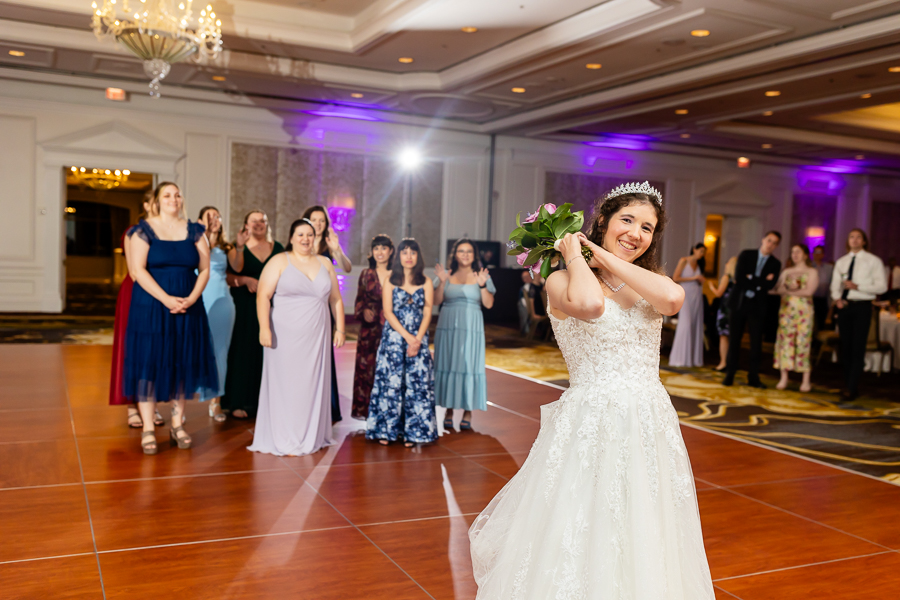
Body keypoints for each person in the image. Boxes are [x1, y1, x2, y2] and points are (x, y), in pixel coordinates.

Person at [469, 182, 714, 599]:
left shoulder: (650, 281)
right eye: (627, 220)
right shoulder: (559, 280)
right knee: (586, 521)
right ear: (601, 221)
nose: (637, 233)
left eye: (648, 228)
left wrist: (601, 254)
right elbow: (590, 306)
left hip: (648, 421)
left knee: (644, 525)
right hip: (592, 421)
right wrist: (576, 255)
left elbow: (674, 300)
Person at [123, 182, 218, 454]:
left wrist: (192, 298)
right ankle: (149, 428)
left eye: (177, 195)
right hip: (151, 305)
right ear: (156, 200)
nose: (173, 199)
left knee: (182, 363)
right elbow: (138, 271)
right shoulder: (143, 230)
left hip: (188, 306)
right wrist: (165, 299)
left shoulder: (195, 231)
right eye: (167, 195)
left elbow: (204, 270)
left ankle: (177, 423)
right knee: (149, 365)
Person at [248, 218, 345, 456]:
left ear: (315, 238)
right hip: (284, 336)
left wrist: (340, 328)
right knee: (287, 384)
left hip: (317, 337)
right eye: (300, 234)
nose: (305, 239)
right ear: (291, 238)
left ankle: (310, 434)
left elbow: (335, 299)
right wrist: (264, 328)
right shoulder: (279, 260)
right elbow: (263, 296)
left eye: (309, 235)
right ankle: (285, 435)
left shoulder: (325, 262)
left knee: (312, 384)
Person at [366, 238, 437, 447]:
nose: (409, 257)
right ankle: (386, 431)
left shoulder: (426, 282)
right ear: (398, 256)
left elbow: (427, 312)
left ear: (418, 256)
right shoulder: (390, 280)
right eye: (405, 252)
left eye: (413, 252)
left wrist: (418, 340)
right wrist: (407, 337)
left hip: (419, 339)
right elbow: (387, 312)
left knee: (417, 384)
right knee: (390, 383)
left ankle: (415, 432)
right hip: (394, 340)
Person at [110, 198, 164, 429]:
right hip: (137, 293)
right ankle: (132, 405)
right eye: (157, 200)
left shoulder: (168, 232)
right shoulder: (134, 232)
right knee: (132, 348)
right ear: (146, 204)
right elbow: (135, 271)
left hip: (162, 293)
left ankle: (151, 403)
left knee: (155, 351)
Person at [223, 210, 282, 419]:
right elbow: (232, 273)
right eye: (254, 221)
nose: (258, 224)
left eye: (262, 220)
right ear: (245, 225)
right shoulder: (236, 247)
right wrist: (247, 279)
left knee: (266, 351)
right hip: (245, 305)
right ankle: (238, 401)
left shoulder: (278, 248)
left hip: (272, 306)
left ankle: (264, 401)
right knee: (243, 350)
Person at [433, 239, 496, 431]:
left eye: (469, 251)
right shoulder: (447, 274)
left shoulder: (481, 275)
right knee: (450, 364)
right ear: (455, 254)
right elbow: (436, 301)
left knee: (469, 365)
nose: (465, 254)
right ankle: (449, 411)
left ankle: (468, 411)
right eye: (461, 251)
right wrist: (442, 282)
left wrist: (483, 286)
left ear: (474, 255)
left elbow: (488, 304)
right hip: (448, 325)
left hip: (472, 327)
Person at [302, 205, 350, 424]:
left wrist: (337, 249)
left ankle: (326, 408)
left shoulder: (328, 246)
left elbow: (347, 268)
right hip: (300, 309)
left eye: (322, 220)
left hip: (322, 308)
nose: (318, 224)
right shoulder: (299, 242)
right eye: (314, 219)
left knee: (322, 357)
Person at [830, 229, 887, 401]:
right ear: (848, 241)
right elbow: (835, 285)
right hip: (845, 307)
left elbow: (881, 287)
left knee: (857, 347)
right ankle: (848, 385)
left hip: (862, 306)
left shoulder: (873, 261)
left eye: (858, 237)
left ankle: (852, 386)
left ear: (864, 241)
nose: (854, 240)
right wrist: (837, 298)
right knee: (845, 347)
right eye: (851, 237)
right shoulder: (842, 261)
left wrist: (859, 286)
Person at [722, 231, 782, 388]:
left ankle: (753, 377)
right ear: (763, 239)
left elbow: (770, 285)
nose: (771, 244)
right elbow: (739, 278)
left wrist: (752, 278)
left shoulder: (775, 264)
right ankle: (730, 374)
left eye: (775, 243)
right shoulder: (746, 254)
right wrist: (760, 282)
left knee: (756, 344)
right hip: (738, 303)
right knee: (734, 340)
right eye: (769, 240)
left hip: (758, 306)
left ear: (776, 246)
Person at [197, 206, 237, 422]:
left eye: (217, 216)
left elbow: (237, 268)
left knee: (221, 351)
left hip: (222, 301)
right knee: (194, 349)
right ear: (199, 220)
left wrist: (238, 246)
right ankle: (182, 403)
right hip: (198, 300)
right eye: (209, 216)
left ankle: (216, 401)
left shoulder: (227, 247)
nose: (214, 219)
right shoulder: (193, 243)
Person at [351, 234, 394, 419]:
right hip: (370, 331)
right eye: (376, 248)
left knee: (390, 370)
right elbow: (359, 300)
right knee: (368, 370)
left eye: (383, 248)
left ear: (391, 251)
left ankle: (388, 413)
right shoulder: (366, 274)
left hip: (392, 328)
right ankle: (369, 413)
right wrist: (363, 311)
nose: (380, 252)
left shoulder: (398, 275)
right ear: (371, 252)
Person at [772, 244, 818, 392]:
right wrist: (793, 290)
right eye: (792, 252)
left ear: (805, 255)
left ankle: (805, 380)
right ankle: (784, 377)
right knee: (785, 342)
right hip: (786, 310)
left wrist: (791, 290)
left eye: (798, 252)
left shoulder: (811, 272)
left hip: (804, 312)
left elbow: (809, 291)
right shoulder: (787, 271)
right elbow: (778, 289)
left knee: (803, 342)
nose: (795, 254)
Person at [668, 243, 707, 367]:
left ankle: (694, 359)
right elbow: (675, 277)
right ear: (694, 250)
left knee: (696, 325)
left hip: (697, 296)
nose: (702, 254)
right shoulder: (684, 261)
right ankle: (679, 359)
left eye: (704, 252)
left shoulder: (701, 264)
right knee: (686, 324)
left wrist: (700, 280)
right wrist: (694, 277)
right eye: (701, 251)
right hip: (685, 295)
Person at [710, 255, 737, 371]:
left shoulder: (727, 277)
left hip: (725, 310)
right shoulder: (738, 279)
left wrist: (711, 287)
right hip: (734, 310)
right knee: (732, 337)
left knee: (723, 337)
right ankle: (731, 363)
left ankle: (723, 363)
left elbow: (718, 293)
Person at [811, 246, 834, 332]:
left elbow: (831, 284)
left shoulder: (829, 268)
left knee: (822, 321)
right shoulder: (809, 266)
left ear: (823, 254)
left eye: (819, 252)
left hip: (823, 299)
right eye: (815, 252)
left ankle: (819, 342)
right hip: (811, 298)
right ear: (813, 254)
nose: (817, 254)